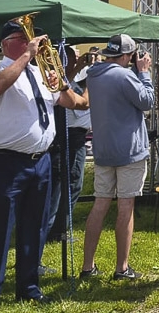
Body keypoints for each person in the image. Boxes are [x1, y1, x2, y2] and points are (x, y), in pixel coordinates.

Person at [0, 20, 87, 313]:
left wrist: (65, 80)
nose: (32, 42)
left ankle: (29, 288)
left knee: (34, 229)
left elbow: (70, 101)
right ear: (8, 43)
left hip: (41, 161)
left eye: (31, 38)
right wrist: (26, 57)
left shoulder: (39, 72)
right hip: (6, 162)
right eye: (25, 38)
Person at [80, 34, 154, 281]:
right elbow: (147, 101)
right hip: (129, 151)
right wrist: (144, 73)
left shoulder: (94, 74)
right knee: (125, 207)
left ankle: (87, 267)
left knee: (100, 205)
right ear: (127, 56)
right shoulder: (125, 76)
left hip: (103, 149)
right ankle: (122, 268)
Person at [44, 46, 93, 244]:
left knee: (66, 183)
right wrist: (91, 81)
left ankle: (57, 228)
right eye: (73, 59)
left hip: (74, 135)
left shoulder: (67, 78)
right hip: (71, 136)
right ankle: (58, 229)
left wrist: (81, 67)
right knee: (71, 183)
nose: (77, 61)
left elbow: (68, 81)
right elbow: (83, 102)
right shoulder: (62, 83)